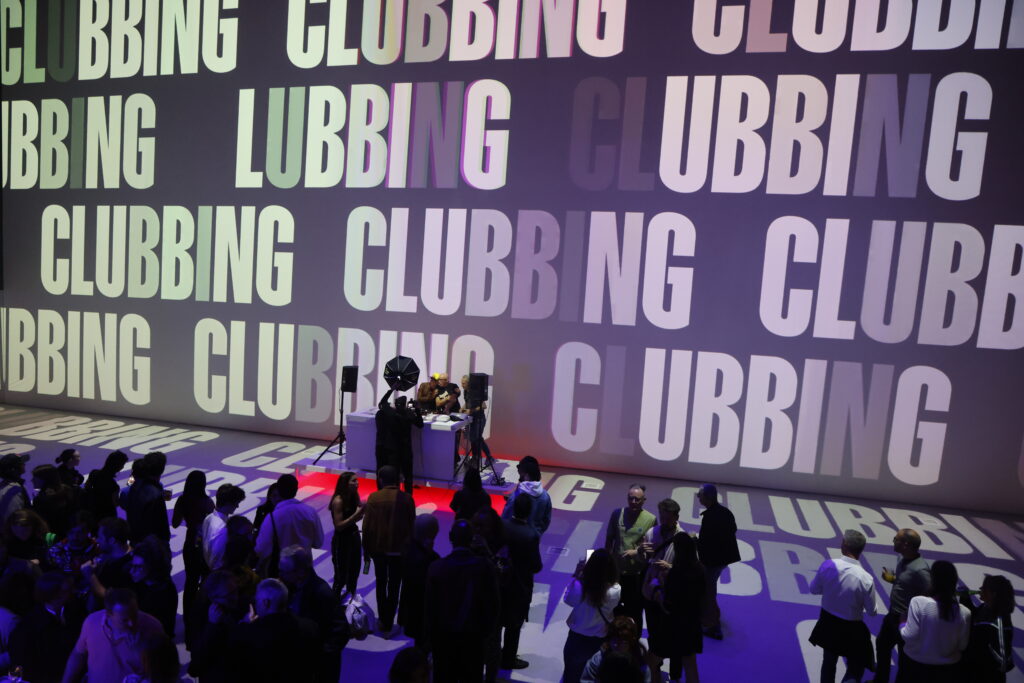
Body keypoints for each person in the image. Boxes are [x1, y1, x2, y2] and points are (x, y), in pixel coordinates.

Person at [426, 519, 500, 683]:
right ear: (472, 538)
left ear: (450, 537)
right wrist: (484, 634)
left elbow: (430, 610)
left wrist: (433, 640)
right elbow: (493, 605)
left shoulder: (436, 568)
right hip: (473, 640)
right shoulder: (485, 567)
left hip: (444, 640)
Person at [808, 530, 877, 683]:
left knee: (828, 663)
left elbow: (813, 589)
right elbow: (872, 611)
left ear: (844, 545)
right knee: (855, 668)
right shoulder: (866, 579)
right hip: (852, 630)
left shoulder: (828, 565)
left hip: (827, 624)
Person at [61, 587, 165, 683]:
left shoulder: (152, 627)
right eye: (124, 620)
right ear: (108, 615)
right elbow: (78, 655)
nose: (131, 623)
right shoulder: (92, 622)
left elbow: (163, 670)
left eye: (134, 615)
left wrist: (140, 652)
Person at [278, 545, 349, 683]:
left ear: (300, 572)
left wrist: (319, 656)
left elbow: (341, 631)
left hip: (319, 668)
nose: (280, 575)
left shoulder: (322, 592)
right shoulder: (291, 586)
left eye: (284, 571)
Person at [228, 578, 319, 683]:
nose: (255, 605)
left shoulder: (251, 633)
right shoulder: (310, 627)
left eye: (256, 601)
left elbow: (235, 660)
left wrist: (244, 625)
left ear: (265, 603)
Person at [362, 466, 416, 637]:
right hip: (399, 550)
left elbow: (367, 527)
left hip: (378, 549)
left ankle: (383, 620)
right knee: (394, 585)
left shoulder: (373, 498)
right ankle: (389, 621)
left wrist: (366, 549)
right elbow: (412, 526)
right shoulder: (407, 499)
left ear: (380, 479)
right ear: (397, 480)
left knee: (380, 583)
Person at [897, 560, 970, 682]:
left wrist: (902, 623)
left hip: (915, 668)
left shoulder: (918, 602)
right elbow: (962, 646)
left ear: (933, 579)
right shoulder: (965, 612)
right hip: (948, 672)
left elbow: (909, 636)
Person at [874, 528, 931, 683]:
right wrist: (893, 579)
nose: (893, 541)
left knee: (904, 659)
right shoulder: (902, 558)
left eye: (896, 539)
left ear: (906, 544)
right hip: (893, 615)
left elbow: (930, 595)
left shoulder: (921, 570)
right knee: (882, 645)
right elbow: (905, 582)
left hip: (907, 620)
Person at [640, 498, 684, 681]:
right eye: (662, 517)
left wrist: (671, 568)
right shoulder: (652, 532)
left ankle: (675, 675)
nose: (664, 521)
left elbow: (689, 570)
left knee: (675, 638)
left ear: (676, 517)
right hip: (651, 594)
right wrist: (642, 552)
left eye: (668, 518)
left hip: (670, 597)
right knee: (653, 633)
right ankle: (655, 669)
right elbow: (644, 561)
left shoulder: (684, 539)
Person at [562, 548, 621, 683]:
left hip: (577, 639)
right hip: (600, 639)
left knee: (572, 674)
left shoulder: (579, 587)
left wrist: (577, 575)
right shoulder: (616, 589)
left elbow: (568, 600)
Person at [8, 571, 78, 683]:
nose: (73, 592)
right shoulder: (28, 628)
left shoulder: (75, 613)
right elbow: (23, 663)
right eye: (66, 591)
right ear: (54, 595)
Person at [500, 492, 543, 671]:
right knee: (514, 625)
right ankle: (508, 659)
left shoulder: (501, 526)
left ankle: (492, 654)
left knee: (496, 622)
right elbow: (536, 566)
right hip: (520, 586)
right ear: (530, 511)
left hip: (500, 582)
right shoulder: (531, 535)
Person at [604, 483, 657, 628]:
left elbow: (652, 547)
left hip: (636, 575)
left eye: (637, 499)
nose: (633, 502)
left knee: (634, 609)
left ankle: (634, 637)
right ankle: (612, 635)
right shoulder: (617, 514)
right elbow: (609, 539)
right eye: (630, 498)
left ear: (644, 500)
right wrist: (607, 563)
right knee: (612, 606)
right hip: (616, 573)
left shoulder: (651, 519)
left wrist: (637, 551)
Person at [172, 470, 214, 644]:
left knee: (190, 583)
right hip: (205, 545)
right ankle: (203, 617)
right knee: (205, 582)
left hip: (190, 544)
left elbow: (175, 523)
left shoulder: (183, 500)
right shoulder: (208, 502)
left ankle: (188, 621)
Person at [658, 533, 706, 683]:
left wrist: (661, 586)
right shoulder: (700, 569)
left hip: (677, 624)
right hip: (693, 623)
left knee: (661, 656)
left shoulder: (676, 574)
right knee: (691, 663)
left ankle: (673, 678)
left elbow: (668, 605)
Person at [695, 483, 739, 641]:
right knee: (710, 589)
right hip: (722, 560)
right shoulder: (726, 512)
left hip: (711, 562)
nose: (698, 497)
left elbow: (706, 543)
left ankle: (713, 626)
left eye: (699, 495)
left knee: (708, 592)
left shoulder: (710, 517)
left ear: (707, 497)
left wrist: (694, 541)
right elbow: (733, 530)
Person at [255, 474, 324, 562]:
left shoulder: (273, 517)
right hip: (305, 566)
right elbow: (318, 543)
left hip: (280, 567)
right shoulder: (311, 512)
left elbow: (261, 548)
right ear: (296, 490)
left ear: (279, 490)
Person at [960, 574, 1015, 682]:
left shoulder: (999, 620)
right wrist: (965, 599)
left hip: (986, 676)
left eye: (984, 587)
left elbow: (1003, 660)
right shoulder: (985, 608)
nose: (980, 588)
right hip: (973, 673)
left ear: (993, 594)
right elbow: (973, 619)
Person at [398, 513, 440, 650]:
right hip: (423, 612)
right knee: (423, 644)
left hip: (410, 608)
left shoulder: (407, 549)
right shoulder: (430, 560)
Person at [375, 390, 424, 494]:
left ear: (396, 405)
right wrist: (417, 409)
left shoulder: (391, 413)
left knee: (395, 476)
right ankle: (408, 497)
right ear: (405, 405)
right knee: (408, 476)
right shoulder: (409, 414)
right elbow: (420, 424)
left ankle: (395, 496)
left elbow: (382, 403)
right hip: (406, 449)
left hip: (393, 450)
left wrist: (390, 390)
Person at [128, 538, 178, 638]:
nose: (131, 571)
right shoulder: (142, 583)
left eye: (138, 567)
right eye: (132, 565)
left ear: (153, 566)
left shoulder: (165, 595)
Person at [580, 615, 652, 683]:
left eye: (623, 642)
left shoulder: (640, 661)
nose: (618, 645)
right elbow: (586, 680)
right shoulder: (598, 659)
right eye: (615, 641)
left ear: (631, 642)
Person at [119, 457, 171, 547]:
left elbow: (124, 504)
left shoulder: (126, 492)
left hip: (135, 536)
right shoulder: (156, 490)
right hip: (154, 539)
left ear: (133, 473)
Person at [329, 471, 364, 597]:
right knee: (341, 577)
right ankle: (333, 604)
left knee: (354, 573)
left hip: (354, 537)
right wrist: (356, 515)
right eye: (354, 481)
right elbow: (338, 526)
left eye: (357, 480)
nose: (357, 483)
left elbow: (359, 514)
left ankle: (351, 601)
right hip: (341, 540)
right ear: (345, 483)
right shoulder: (338, 501)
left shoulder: (354, 495)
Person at [501, 456, 552, 536]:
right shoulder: (546, 496)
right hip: (534, 537)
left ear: (526, 475)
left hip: (515, 538)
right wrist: (537, 533)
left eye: (520, 472)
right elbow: (546, 520)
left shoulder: (515, 497)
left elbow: (505, 519)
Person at [201, 484, 246, 572]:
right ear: (228, 503)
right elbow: (216, 558)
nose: (237, 506)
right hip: (219, 572)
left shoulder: (209, 518)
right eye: (236, 503)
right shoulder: (222, 529)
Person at [31, 463, 80, 540]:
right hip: (70, 534)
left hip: (51, 537)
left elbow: (42, 523)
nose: (32, 480)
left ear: (45, 479)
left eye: (35, 477)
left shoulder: (40, 499)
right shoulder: (67, 490)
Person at [82, 451, 128, 523]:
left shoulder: (94, 473)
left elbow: (87, 487)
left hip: (93, 511)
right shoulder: (113, 486)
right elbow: (115, 503)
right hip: (108, 515)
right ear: (119, 467)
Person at [47, 510, 98, 574]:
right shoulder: (56, 551)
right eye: (72, 532)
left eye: (80, 532)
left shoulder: (96, 548)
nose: (75, 536)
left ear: (88, 532)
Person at [0, 454, 31, 527]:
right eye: (21, 463)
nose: (24, 464)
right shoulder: (13, 490)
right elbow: (14, 519)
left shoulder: (8, 486)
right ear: (13, 469)